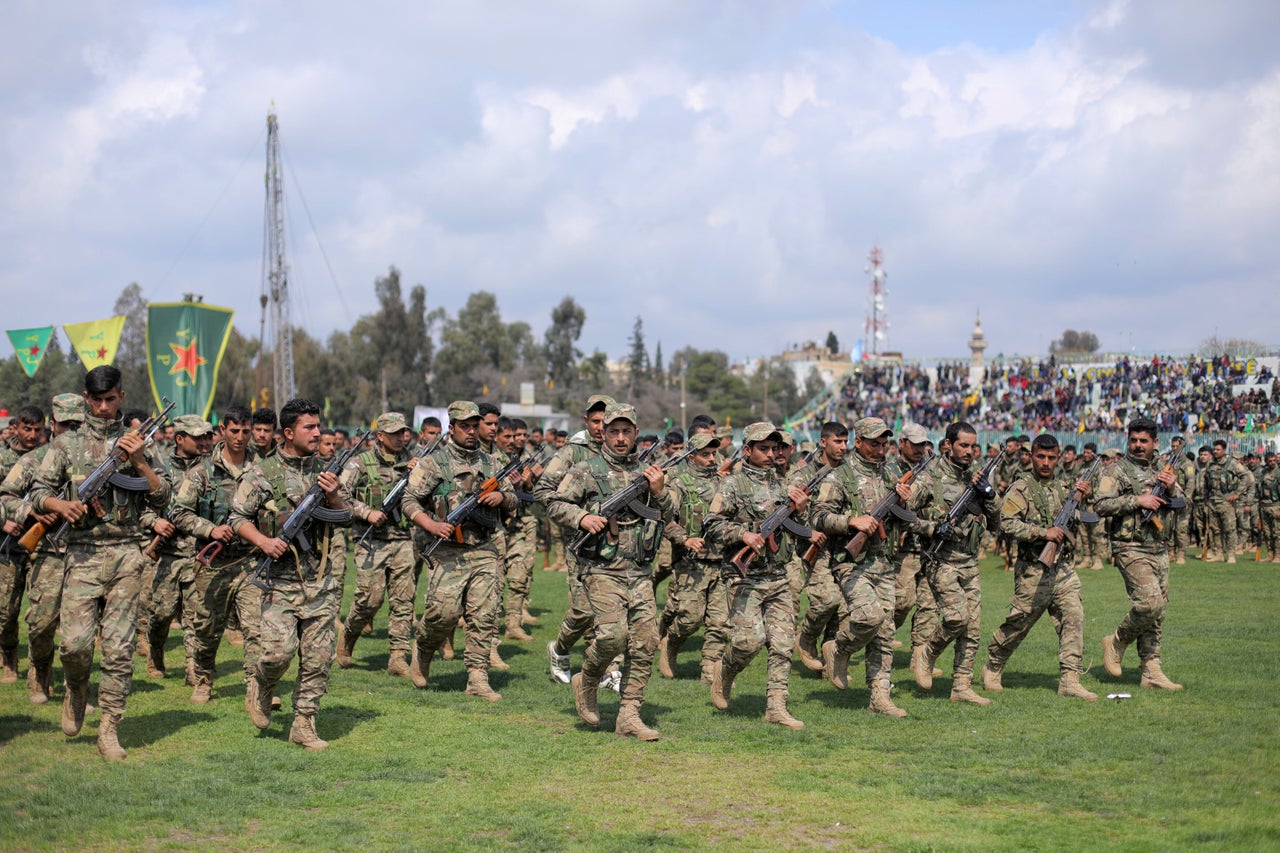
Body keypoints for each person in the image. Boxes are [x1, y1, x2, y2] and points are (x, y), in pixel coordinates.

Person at [31, 366, 170, 759]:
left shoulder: (140, 442)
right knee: (74, 646)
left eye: (111, 400)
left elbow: (163, 499)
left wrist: (140, 462)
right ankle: (76, 689)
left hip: (128, 552)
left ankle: (110, 727)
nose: (104, 407)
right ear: (86, 398)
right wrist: (62, 504)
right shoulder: (67, 445)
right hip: (82, 553)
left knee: (119, 649)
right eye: (97, 400)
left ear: (121, 398)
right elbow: (39, 490)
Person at [230, 398, 352, 749]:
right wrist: (264, 542)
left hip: (321, 581)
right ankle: (262, 683)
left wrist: (333, 498)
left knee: (317, 658)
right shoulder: (260, 473)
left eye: (318, 426)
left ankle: (304, 724)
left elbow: (344, 519)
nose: (318, 432)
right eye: (309, 427)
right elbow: (236, 518)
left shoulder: (326, 471)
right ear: (288, 432)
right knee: (278, 654)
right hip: (279, 581)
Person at [547, 403, 673, 740]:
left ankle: (630, 713)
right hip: (601, 570)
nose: (619, 438)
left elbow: (671, 511)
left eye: (626, 431)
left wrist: (659, 491)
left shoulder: (650, 472)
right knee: (611, 637)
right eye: (613, 431)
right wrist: (581, 518)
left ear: (635, 433)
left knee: (646, 641)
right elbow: (555, 502)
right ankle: (586, 680)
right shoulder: (586, 470)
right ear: (603, 432)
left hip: (640, 570)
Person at [702, 422, 821, 729]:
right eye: (764, 449)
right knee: (748, 641)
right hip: (745, 578)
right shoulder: (731, 486)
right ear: (748, 451)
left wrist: (802, 510)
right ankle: (725, 671)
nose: (771, 455)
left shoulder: (785, 486)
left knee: (782, 645)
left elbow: (802, 529)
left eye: (775, 449)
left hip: (779, 576)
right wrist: (742, 534)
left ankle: (777, 706)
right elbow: (711, 524)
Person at [403, 401, 515, 701]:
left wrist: (501, 497)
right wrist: (431, 525)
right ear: (451, 428)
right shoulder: (433, 463)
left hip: (485, 548)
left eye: (474, 425)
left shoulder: (492, 462)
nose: (470, 430)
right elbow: (409, 500)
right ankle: (424, 649)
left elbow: (515, 499)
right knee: (444, 613)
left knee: (484, 614)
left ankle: (477, 678)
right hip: (447, 550)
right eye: (463, 425)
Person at [981, 434, 1098, 701]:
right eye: (1040, 457)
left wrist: (1084, 499)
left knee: (1074, 616)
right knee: (1019, 623)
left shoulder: (1063, 487)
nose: (1046, 463)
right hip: (1034, 569)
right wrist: (1042, 532)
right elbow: (1005, 524)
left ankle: (1070, 678)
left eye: (1051, 458)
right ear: (1032, 456)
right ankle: (994, 664)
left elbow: (1081, 519)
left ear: (1058, 458)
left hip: (1064, 568)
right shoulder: (1020, 489)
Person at [812, 417, 912, 717]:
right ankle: (839, 648)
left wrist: (905, 503)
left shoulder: (893, 471)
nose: (881, 449)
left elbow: (905, 518)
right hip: (851, 563)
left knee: (885, 630)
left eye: (884, 443)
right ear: (858, 442)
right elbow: (818, 517)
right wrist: (850, 521)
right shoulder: (839, 475)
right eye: (874, 443)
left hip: (884, 561)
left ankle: (880, 695)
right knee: (869, 617)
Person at [170, 406, 258, 705]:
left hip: (251, 562)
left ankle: (256, 686)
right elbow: (179, 513)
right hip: (213, 564)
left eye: (246, 431)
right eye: (235, 431)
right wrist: (209, 530)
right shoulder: (202, 472)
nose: (241, 437)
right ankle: (204, 677)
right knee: (207, 629)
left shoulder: (262, 469)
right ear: (223, 431)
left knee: (255, 627)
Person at [908, 420, 1000, 706]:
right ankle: (928, 652)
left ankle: (961, 685)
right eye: (963, 445)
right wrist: (932, 529)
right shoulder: (930, 478)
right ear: (947, 445)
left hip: (969, 561)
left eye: (973, 446)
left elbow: (997, 526)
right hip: (941, 559)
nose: (969, 451)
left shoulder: (977, 479)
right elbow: (905, 516)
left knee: (972, 629)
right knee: (956, 618)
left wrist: (990, 497)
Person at [0, 395, 82, 703]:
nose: (71, 432)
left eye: (77, 425)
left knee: (79, 631)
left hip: (85, 550)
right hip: (46, 550)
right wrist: (31, 512)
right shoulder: (34, 459)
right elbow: (6, 496)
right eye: (65, 426)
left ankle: (77, 689)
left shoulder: (96, 460)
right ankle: (39, 672)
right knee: (41, 622)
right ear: (54, 424)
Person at [1094, 417, 1184, 691]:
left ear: (1155, 443)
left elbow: (1182, 504)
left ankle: (1151, 670)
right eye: (1133, 440)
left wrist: (1170, 488)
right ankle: (1117, 640)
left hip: (1158, 545)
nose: (1138, 445)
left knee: (1157, 614)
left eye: (1144, 441)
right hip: (1129, 546)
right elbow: (1100, 504)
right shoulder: (1115, 470)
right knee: (1149, 603)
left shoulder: (1164, 470)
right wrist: (1137, 500)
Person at [336, 412, 424, 686]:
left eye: (404, 432)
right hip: (370, 541)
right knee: (369, 600)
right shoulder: (359, 463)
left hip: (401, 540)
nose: (402, 437)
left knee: (403, 601)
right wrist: (366, 512)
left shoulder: (412, 462)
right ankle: (349, 634)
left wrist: (419, 473)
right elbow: (338, 496)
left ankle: (398, 657)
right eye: (395, 433)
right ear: (380, 436)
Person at [536, 396, 613, 684]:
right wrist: (578, 516)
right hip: (581, 546)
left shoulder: (626, 456)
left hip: (619, 548)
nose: (602, 428)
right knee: (583, 610)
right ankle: (560, 648)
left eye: (607, 422)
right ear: (586, 422)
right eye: (596, 421)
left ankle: (607, 670)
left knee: (613, 614)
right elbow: (543, 491)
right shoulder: (571, 454)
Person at [137, 414, 213, 680]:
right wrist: (155, 522)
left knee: (196, 617)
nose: (205, 442)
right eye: (198, 437)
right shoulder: (159, 467)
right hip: (166, 554)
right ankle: (155, 653)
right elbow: (142, 510)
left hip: (200, 554)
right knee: (160, 614)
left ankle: (193, 668)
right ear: (180, 439)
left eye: (208, 436)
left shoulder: (214, 468)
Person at [656, 433, 728, 684]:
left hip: (724, 560)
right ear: (692, 456)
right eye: (705, 454)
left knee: (720, 622)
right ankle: (671, 642)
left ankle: (710, 668)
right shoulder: (678, 484)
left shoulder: (724, 484)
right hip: (690, 562)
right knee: (690, 618)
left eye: (713, 454)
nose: (711, 459)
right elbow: (665, 518)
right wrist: (684, 539)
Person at [795, 421, 852, 672]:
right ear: (823, 442)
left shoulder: (850, 473)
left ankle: (832, 661)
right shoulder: (804, 475)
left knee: (843, 609)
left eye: (845, 441)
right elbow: (786, 512)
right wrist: (807, 531)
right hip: (816, 547)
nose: (842, 446)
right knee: (827, 601)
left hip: (846, 547)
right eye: (837, 441)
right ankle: (806, 637)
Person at [0, 405, 47, 683]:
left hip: (43, 545)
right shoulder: (3, 458)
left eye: (37, 430)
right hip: (8, 544)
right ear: (15, 427)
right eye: (26, 429)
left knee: (41, 613)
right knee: (6, 611)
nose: (31, 435)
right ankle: (8, 657)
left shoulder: (48, 457)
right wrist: (3, 521)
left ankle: (37, 667)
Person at [891, 423, 937, 657]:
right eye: (915, 444)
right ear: (903, 443)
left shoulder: (929, 469)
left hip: (929, 546)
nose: (920, 449)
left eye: (923, 444)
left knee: (928, 606)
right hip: (903, 546)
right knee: (903, 601)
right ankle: (881, 637)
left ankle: (920, 660)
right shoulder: (890, 469)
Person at [1201, 439, 1247, 564]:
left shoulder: (1232, 463)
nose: (1215, 451)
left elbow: (1245, 477)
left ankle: (1231, 554)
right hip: (1212, 501)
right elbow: (1205, 481)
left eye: (1218, 449)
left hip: (1226, 501)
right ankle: (1218, 553)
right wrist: (1205, 496)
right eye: (1214, 449)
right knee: (1215, 529)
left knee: (1229, 529)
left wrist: (1237, 493)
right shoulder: (1210, 464)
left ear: (1224, 450)